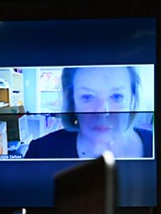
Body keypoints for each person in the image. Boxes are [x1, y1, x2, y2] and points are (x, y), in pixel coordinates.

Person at [25, 66, 153, 159]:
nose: (102, 112)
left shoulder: (156, 144)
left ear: (132, 99)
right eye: (87, 97)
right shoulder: (41, 151)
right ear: (72, 102)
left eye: (116, 96)